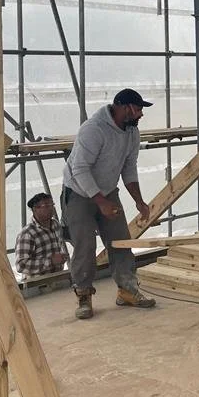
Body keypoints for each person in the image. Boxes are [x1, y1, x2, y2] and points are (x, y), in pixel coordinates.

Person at [61, 88, 157, 320]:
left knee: (120, 241)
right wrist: (100, 201)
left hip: (107, 191)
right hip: (78, 192)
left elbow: (129, 167)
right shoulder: (93, 129)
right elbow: (79, 169)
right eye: (137, 109)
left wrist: (139, 201)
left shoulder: (132, 132)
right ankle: (84, 295)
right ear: (123, 107)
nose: (141, 114)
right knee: (85, 246)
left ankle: (127, 290)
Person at [14, 192, 69, 280]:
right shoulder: (27, 234)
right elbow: (21, 265)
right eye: (46, 205)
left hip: (57, 277)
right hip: (37, 282)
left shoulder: (55, 225)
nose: (51, 208)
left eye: (52, 204)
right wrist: (50, 261)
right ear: (35, 209)